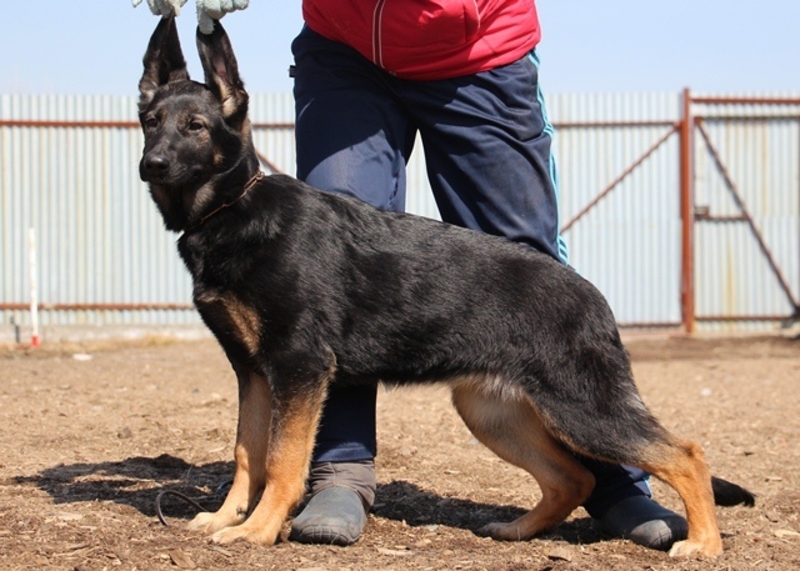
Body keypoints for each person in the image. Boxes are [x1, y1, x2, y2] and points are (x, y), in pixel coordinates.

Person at [134, 0, 689, 551]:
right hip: (345, 50)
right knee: (328, 269)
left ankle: (617, 480)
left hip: (478, 49)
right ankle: (338, 475)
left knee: (527, 267)